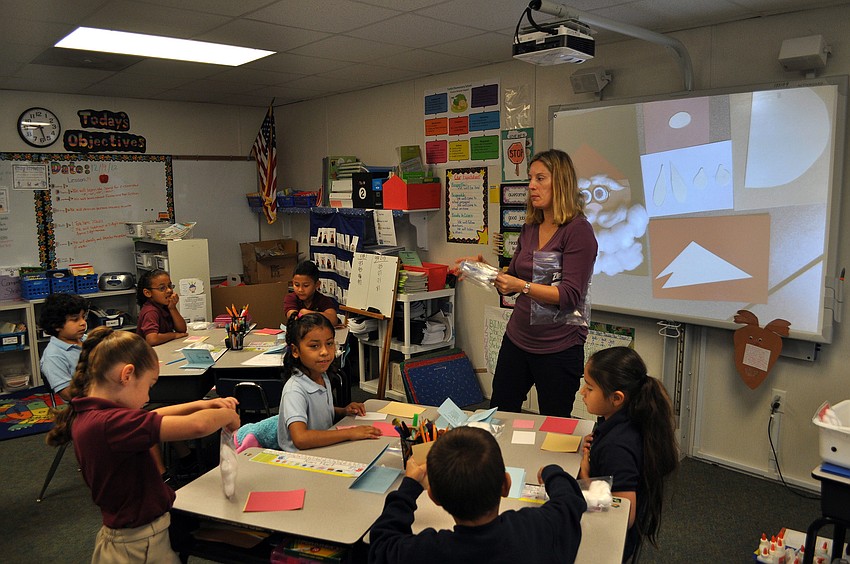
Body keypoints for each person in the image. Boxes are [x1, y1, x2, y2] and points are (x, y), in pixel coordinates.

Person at [45, 327, 240, 563]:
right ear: (127, 375)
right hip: (138, 546)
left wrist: (202, 404)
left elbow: (154, 414)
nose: (148, 397)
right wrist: (227, 417)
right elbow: (198, 427)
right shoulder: (111, 424)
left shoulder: (96, 413)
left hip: (136, 538)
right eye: (149, 385)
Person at [457, 149, 597, 416]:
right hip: (518, 338)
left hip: (559, 346)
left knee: (554, 425)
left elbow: (569, 295)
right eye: (531, 178)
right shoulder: (531, 226)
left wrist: (520, 286)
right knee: (498, 414)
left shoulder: (578, 231)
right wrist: (483, 270)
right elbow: (519, 275)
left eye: (541, 178)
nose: (531, 185)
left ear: (561, 182)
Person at [368, 426, 587, 564]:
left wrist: (409, 487)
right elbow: (570, 502)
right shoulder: (537, 528)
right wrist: (552, 472)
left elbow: (381, 544)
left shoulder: (426, 552)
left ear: (433, 497)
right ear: (506, 485)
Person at [578, 346, 678, 561]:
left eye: (590, 387)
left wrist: (586, 475)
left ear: (616, 398)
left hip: (608, 542)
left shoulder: (617, 448)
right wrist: (596, 444)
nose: (582, 393)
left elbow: (624, 514)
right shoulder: (623, 418)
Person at [273, 312, 380, 452]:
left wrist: (344, 411)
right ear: (295, 351)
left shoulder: (322, 376)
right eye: (314, 346)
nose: (325, 351)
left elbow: (319, 411)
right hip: (299, 461)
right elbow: (301, 439)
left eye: (329, 343)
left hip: (322, 450)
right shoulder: (295, 390)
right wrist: (349, 433)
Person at [38, 292, 89, 402]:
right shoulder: (52, 356)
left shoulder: (88, 339)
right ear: (56, 325)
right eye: (75, 319)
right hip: (84, 408)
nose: (83, 323)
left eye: (83, 317)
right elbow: (68, 394)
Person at [136, 269, 188, 346]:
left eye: (170, 286)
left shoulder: (164, 306)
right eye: (162, 288)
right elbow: (152, 339)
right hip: (149, 354)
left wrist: (173, 308)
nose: (169, 290)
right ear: (148, 293)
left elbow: (182, 330)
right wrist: (173, 335)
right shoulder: (150, 311)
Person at [283, 260, 339, 326]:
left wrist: (307, 313)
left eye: (306, 285)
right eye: (297, 285)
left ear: (317, 284)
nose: (300, 290)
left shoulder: (323, 300)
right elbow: (293, 317)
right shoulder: (291, 298)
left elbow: (333, 320)